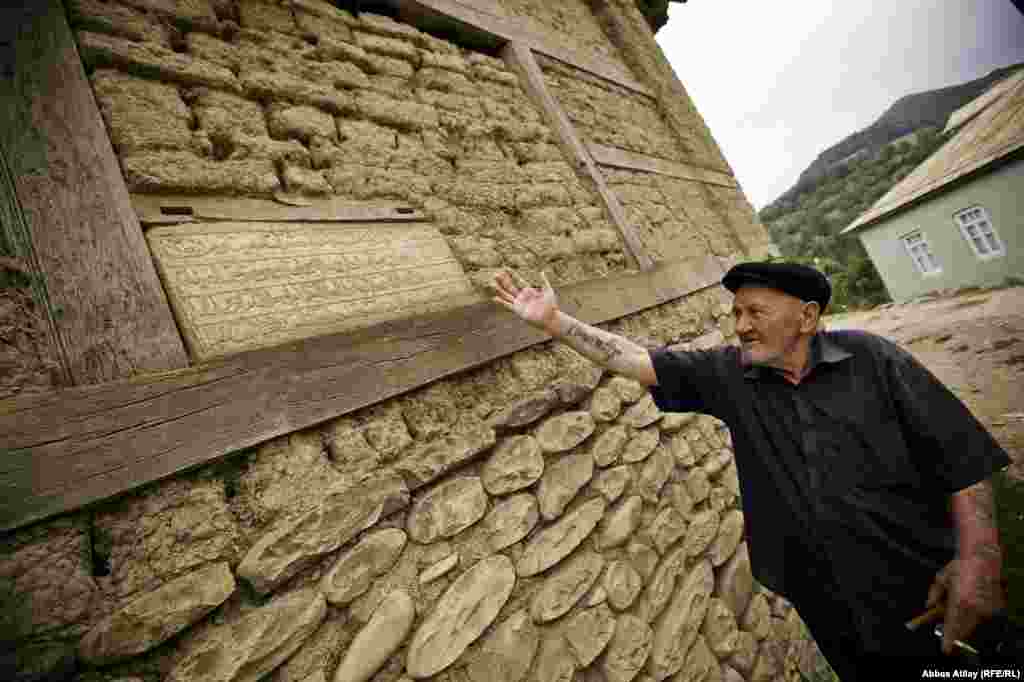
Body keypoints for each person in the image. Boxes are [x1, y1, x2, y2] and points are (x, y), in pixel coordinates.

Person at [492, 262, 1017, 679]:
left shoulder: (873, 360)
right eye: (737, 313)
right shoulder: (730, 376)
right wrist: (554, 323)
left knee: (983, 673)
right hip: (830, 603)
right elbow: (634, 359)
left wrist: (979, 557)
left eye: (755, 312)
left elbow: (959, 453)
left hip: (926, 587)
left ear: (807, 318)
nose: (740, 325)